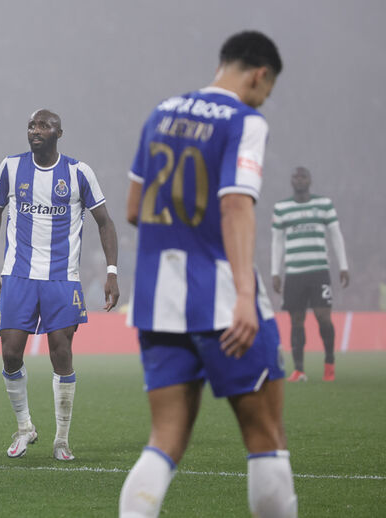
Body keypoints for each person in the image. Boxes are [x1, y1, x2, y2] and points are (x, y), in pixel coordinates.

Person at [119, 31, 297, 517]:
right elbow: (236, 203)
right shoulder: (245, 120)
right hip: (220, 300)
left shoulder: (162, 113)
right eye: (267, 89)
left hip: (158, 302)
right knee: (266, 438)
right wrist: (244, 294)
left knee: (164, 440)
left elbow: (134, 208)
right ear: (260, 75)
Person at [0, 109, 119, 461]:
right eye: (31, 125)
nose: (35, 130)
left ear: (60, 133)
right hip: (19, 274)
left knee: (61, 352)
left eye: (44, 126)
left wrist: (112, 271)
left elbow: (105, 222)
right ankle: (25, 426)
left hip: (62, 277)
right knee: (11, 352)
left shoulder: (78, 172)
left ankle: (61, 438)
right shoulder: (11, 167)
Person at [272, 166, 349, 382]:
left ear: (310, 180)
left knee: (323, 317)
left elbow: (336, 235)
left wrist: (343, 265)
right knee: (296, 320)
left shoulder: (323, 205)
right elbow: (277, 241)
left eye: (303, 176)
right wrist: (275, 272)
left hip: (319, 271)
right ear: (291, 181)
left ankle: (329, 365)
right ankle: (299, 370)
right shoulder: (281, 208)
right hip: (294, 273)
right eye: (295, 176)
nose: (299, 179)